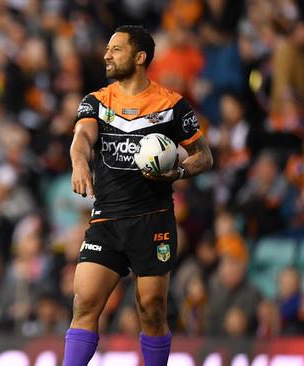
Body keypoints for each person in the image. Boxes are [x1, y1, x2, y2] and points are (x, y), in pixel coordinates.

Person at [65, 25, 213, 366]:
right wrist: (78, 163)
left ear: (140, 57)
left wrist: (176, 172)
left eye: (116, 49)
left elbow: (204, 156)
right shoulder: (97, 102)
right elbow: (82, 139)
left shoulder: (172, 105)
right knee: (85, 302)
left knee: (152, 310)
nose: (106, 55)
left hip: (152, 219)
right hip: (106, 220)